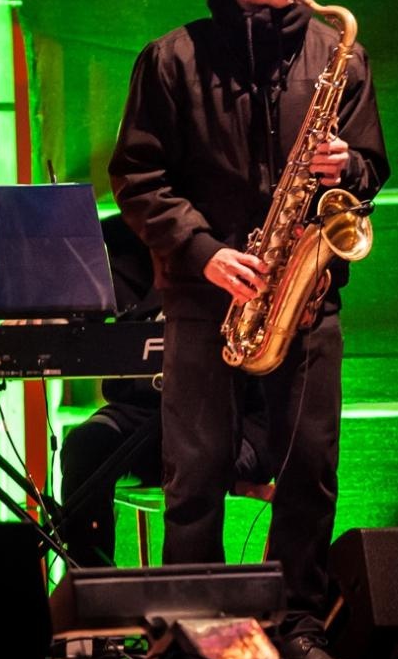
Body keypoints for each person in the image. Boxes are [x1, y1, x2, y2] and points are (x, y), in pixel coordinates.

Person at [109, 0, 388, 659]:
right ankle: (193, 637)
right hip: (208, 295)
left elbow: (372, 168)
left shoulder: (339, 53)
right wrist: (204, 253)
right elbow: (137, 177)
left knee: (312, 466)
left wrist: (351, 166)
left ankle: (295, 624)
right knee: (193, 473)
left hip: (306, 295)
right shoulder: (173, 57)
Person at [58, 216, 272, 568]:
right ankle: (91, 590)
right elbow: (82, 314)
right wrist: (44, 314)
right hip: (142, 411)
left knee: (196, 455)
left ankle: (192, 603)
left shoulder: (239, 224)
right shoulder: (124, 237)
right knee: (85, 446)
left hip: (234, 414)